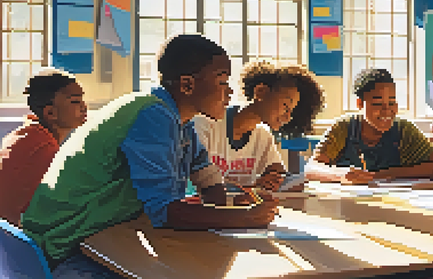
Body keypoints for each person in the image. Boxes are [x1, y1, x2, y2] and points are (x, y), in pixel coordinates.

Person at [21, 35, 278, 278]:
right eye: (222, 81)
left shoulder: (181, 122)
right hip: (66, 249)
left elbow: (209, 181)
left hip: (94, 237)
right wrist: (243, 218)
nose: (229, 92)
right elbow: (164, 213)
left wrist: (232, 204)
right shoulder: (153, 116)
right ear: (187, 85)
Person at [193, 60, 325, 191]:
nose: (288, 117)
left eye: (292, 110)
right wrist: (253, 186)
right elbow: (198, 185)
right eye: (285, 106)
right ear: (260, 92)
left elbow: (279, 175)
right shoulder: (205, 125)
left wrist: (285, 181)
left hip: (241, 211)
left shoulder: (263, 135)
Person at [305, 68, 433, 185]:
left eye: (392, 103)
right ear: (360, 104)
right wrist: (340, 174)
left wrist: (387, 174)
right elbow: (311, 169)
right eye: (377, 104)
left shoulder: (403, 130)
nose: (387, 111)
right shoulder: (344, 128)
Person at [0, 71, 87, 227]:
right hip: (25, 241)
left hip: (8, 239)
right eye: (75, 101)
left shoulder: (23, 136)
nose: (84, 107)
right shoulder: (43, 148)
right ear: (50, 113)